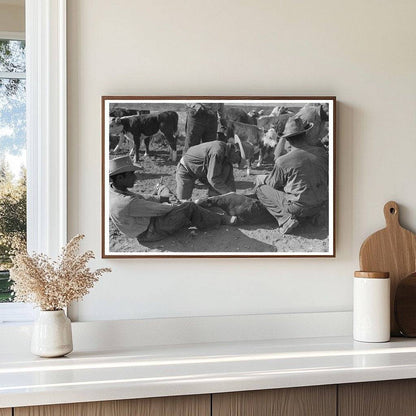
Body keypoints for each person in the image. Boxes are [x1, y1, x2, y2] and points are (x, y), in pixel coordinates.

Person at [197, 116, 328, 235]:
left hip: (298, 207)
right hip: (320, 203)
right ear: (305, 135)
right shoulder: (321, 153)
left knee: (261, 189)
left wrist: (262, 178)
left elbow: (272, 184)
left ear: (287, 139)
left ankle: (285, 219)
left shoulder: (283, 161)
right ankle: (315, 215)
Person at [109, 156, 228, 243]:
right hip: (151, 232)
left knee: (169, 195)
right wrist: (179, 205)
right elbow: (161, 210)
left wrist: (161, 198)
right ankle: (220, 219)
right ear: (120, 178)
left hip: (143, 228)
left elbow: (142, 198)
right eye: (131, 174)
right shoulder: (127, 202)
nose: (135, 177)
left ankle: (194, 209)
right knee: (189, 207)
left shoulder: (113, 191)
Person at [176, 140, 241, 200]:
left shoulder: (228, 157)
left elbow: (230, 181)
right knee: (183, 203)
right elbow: (213, 179)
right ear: (236, 151)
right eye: (238, 160)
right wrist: (230, 194)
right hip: (186, 170)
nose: (236, 163)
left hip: (202, 171)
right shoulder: (218, 152)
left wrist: (235, 197)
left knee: (224, 175)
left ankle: (213, 201)